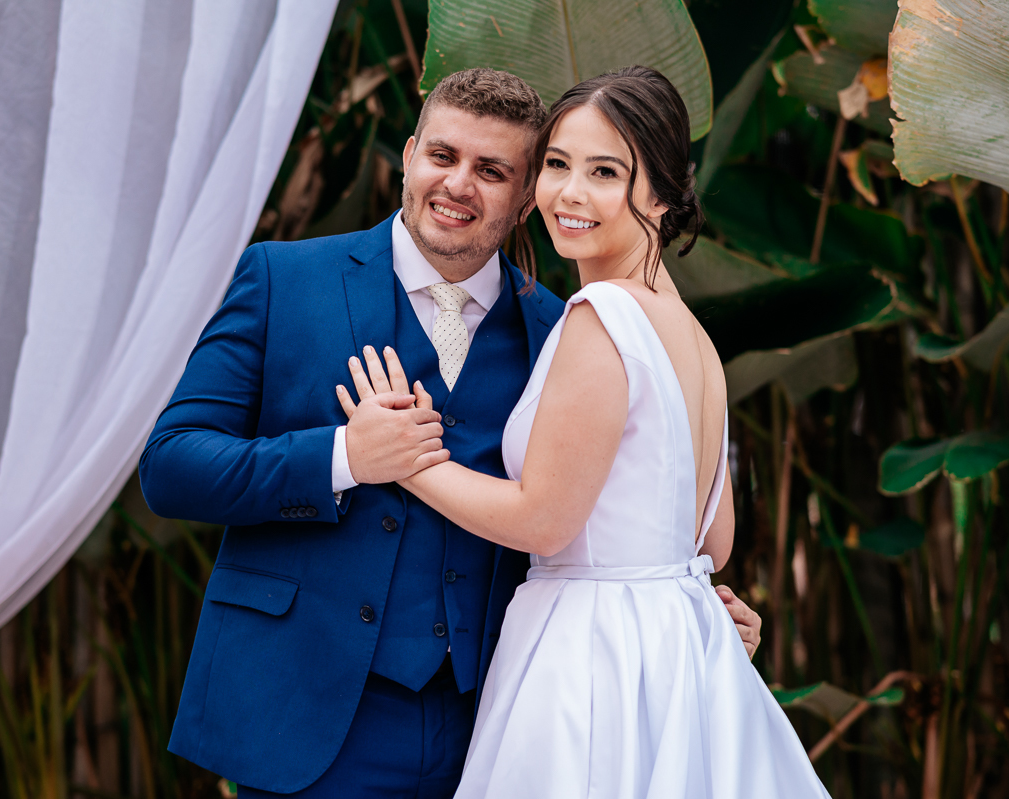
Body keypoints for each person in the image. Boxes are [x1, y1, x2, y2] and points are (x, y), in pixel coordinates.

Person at [139, 68, 761, 799]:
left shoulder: (565, 328)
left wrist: (685, 607)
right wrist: (343, 455)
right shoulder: (281, 279)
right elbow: (172, 465)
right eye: (442, 156)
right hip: (309, 715)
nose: (458, 184)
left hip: (498, 725)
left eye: (492, 170)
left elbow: (618, 506)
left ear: (526, 194)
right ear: (408, 156)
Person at [339, 66, 829, 797]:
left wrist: (405, 459)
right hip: (675, 648)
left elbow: (544, 519)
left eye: (605, 172)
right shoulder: (692, 335)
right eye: (558, 165)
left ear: (662, 193)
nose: (569, 194)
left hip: (592, 655)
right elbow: (714, 540)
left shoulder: (600, 317)